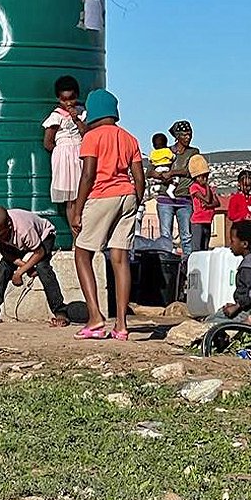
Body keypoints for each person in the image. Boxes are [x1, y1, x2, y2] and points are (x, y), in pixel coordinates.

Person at [71, 89, 145, 341]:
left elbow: (88, 174)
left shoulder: (92, 137)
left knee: (82, 253)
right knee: (120, 258)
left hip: (102, 197)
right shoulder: (129, 138)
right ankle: (121, 325)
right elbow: (139, 176)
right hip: (128, 197)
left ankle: (95, 317)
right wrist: (136, 199)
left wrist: (78, 210)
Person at [0, 206, 69, 327]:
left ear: (9, 226)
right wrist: (26, 268)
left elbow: (39, 252)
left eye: (1, 235)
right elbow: (6, 254)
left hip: (42, 239)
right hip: (22, 244)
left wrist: (19, 273)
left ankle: (60, 312)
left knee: (43, 268)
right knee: (3, 267)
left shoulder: (24, 229)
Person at [148, 120, 199, 258]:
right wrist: (160, 175)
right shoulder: (165, 151)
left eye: (189, 135)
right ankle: (167, 263)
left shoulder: (193, 152)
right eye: (185, 135)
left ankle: (187, 264)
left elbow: (192, 170)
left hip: (184, 198)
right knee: (165, 235)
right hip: (165, 198)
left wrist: (172, 173)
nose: (188, 137)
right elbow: (150, 171)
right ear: (177, 136)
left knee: (186, 236)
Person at [209, 220, 251, 327]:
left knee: (213, 323)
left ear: (244, 244)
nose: (230, 245)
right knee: (216, 316)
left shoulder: (249, 267)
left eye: (232, 241)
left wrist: (238, 306)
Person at [42, 75, 87, 228]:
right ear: (58, 98)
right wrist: (61, 154)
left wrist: (77, 120)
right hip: (65, 158)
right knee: (72, 200)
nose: (68, 103)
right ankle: (76, 237)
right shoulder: (56, 116)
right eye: (64, 99)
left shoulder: (82, 113)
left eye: (71, 98)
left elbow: (87, 135)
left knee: (85, 195)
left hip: (81, 154)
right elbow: (48, 142)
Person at [188, 154, 220, 251]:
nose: (205, 179)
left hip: (207, 221)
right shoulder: (194, 187)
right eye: (202, 177)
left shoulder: (209, 189)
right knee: (197, 248)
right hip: (198, 222)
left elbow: (217, 203)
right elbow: (206, 199)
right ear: (196, 177)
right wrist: (207, 187)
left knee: (205, 248)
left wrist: (208, 205)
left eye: (206, 176)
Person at [148, 132, 177, 199]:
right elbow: (173, 157)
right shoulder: (167, 151)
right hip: (166, 169)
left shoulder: (152, 153)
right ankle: (170, 190)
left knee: (155, 180)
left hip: (157, 170)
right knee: (176, 179)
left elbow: (150, 160)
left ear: (154, 145)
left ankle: (156, 187)